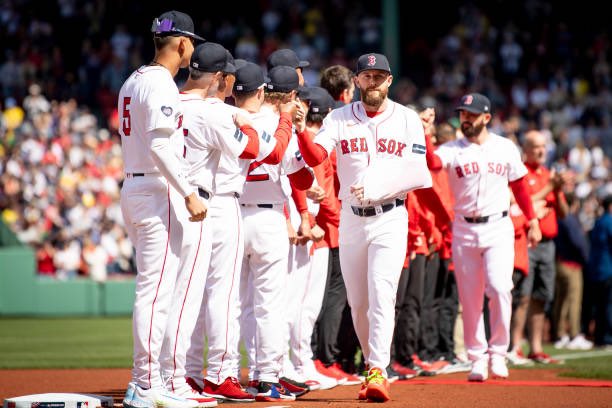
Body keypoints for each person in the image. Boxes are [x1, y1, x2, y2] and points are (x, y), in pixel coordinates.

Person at [296, 52, 432, 402]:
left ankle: (377, 370)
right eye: (365, 76)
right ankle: (372, 365)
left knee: (381, 292)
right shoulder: (339, 118)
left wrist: (378, 188)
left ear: (389, 80)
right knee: (358, 303)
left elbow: (418, 172)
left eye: (378, 76)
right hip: (353, 218)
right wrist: (299, 132)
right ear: (356, 81)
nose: (372, 81)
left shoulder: (406, 119)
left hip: (391, 216)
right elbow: (316, 156)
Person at [118, 10, 213, 408]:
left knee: (153, 290)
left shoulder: (133, 79)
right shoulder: (159, 84)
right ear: (182, 44)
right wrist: (188, 192)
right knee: (156, 292)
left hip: (135, 184)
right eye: (191, 41)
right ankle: (144, 384)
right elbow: (160, 145)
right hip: (156, 189)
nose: (192, 48)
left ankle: (148, 381)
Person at [424, 92, 542, 382]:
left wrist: (533, 220)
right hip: (464, 228)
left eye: (472, 114)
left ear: (486, 118)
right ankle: (477, 357)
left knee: (501, 288)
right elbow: (432, 163)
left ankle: (498, 353)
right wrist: (425, 133)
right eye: (463, 114)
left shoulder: (505, 147)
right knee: (470, 296)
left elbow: (520, 187)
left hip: (498, 226)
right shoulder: (452, 149)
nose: (466, 118)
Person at [177, 42, 260, 404]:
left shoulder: (169, 100)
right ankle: (220, 373)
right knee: (222, 294)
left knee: (182, 294)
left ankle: (186, 373)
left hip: (171, 199)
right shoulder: (216, 112)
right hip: (213, 203)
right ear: (221, 78)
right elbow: (254, 149)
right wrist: (245, 119)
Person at [238, 65, 313, 402]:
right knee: (270, 305)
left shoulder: (238, 116)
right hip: (268, 220)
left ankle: (232, 374)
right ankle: (267, 376)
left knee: (236, 305)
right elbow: (303, 180)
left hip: (234, 215)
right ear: (291, 96)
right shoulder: (281, 125)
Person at [313, 64, 362, 386]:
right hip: (332, 222)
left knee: (324, 296)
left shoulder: (325, 126)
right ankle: (324, 358)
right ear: (345, 93)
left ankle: (323, 358)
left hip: (323, 220)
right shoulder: (340, 125)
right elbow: (328, 183)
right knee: (331, 295)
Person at [514, 129, 569, 364]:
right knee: (523, 295)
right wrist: (549, 189)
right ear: (526, 149)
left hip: (548, 244)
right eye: (536, 146)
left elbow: (564, 213)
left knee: (541, 296)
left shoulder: (549, 174)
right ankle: (514, 346)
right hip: (526, 240)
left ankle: (535, 347)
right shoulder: (520, 173)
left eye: (543, 146)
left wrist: (557, 190)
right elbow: (520, 202)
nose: (541, 150)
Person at [552, 192, 592, 350]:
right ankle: (574, 334)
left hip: (560, 262)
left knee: (561, 301)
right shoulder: (569, 219)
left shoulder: (559, 218)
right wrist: (586, 258)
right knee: (573, 301)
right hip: (572, 265)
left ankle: (560, 334)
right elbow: (579, 242)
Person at [585, 195, 612, 347]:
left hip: (596, 270)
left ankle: (600, 337)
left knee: (600, 306)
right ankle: (607, 337)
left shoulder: (598, 222)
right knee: (608, 305)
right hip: (608, 268)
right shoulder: (609, 221)